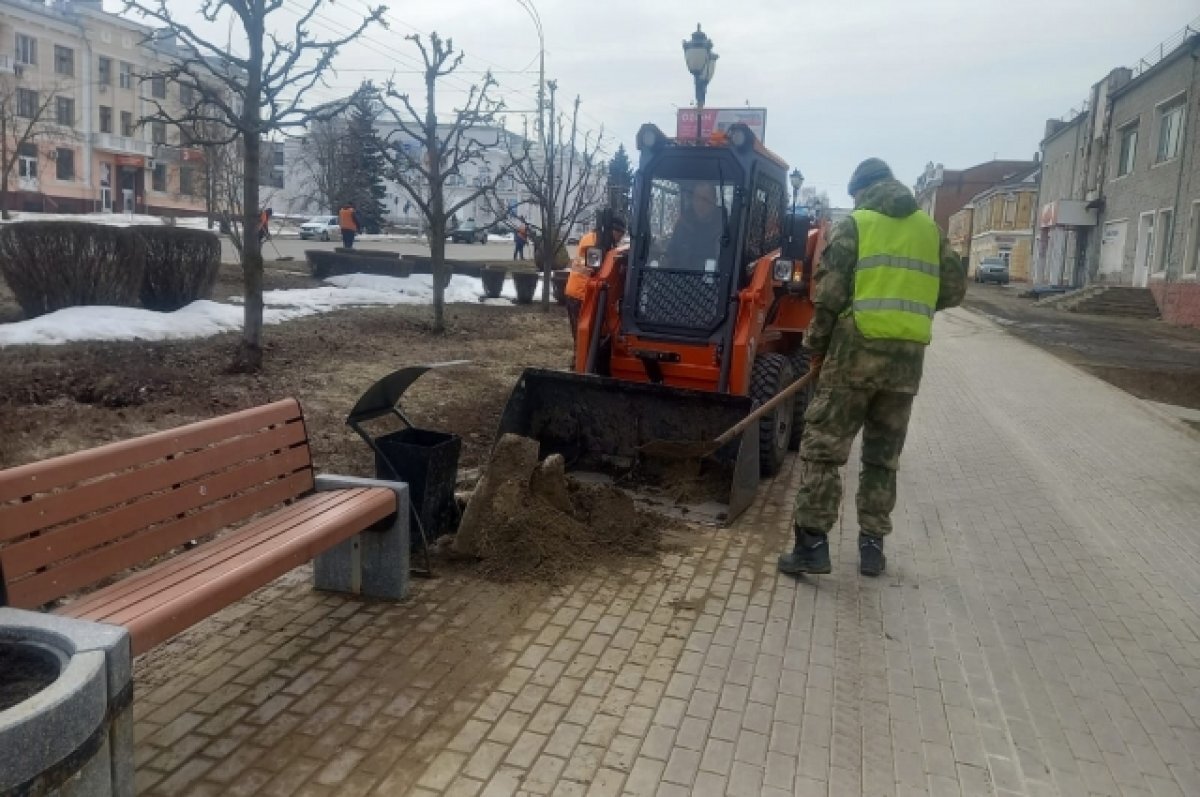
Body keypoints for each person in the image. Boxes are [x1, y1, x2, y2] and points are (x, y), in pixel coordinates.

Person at [778, 158, 965, 578]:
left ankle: (811, 545)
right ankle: (872, 547)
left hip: (853, 358)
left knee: (823, 450)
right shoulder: (928, 231)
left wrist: (815, 348)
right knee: (883, 457)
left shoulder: (856, 224)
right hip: (905, 366)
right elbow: (954, 290)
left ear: (860, 191)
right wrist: (910, 306)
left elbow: (828, 296)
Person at [565, 216, 627, 341]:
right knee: (583, 337)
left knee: (588, 336)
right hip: (579, 294)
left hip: (584, 293)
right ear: (614, 231)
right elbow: (597, 268)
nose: (620, 239)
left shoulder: (598, 239)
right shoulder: (594, 242)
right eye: (620, 235)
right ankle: (580, 359)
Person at [665, 181, 724, 269]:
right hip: (681, 278)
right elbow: (671, 256)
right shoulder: (683, 226)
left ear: (715, 201)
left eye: (705, 199)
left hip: (715, 280)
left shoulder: (725, 229)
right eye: (696, 199)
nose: (700, 204)